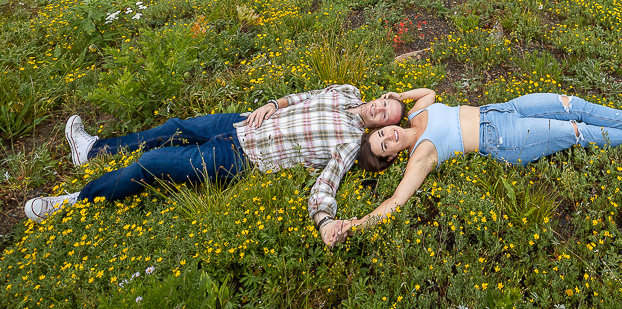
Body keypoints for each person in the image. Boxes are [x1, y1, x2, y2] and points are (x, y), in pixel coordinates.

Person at [24, 85, 405, 244]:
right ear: (380, 96)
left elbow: (326, 185)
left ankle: (73, 201)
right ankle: (92, 151)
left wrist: (324, 221)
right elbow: (306, 96)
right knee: (175, 127)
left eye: (387, 118)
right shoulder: (349, 92)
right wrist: (273, 104)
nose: (381, 110)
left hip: (242, 157)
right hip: (244, 122)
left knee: (153, 164)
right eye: (385, 101)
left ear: (383, 129)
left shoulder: (350, 146)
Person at [326, 89, 622, 246]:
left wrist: (397, 96)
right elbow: (396, 202)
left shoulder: (416, 114)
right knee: (573, 132)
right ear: (391, 157)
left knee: (569, 104)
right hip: (504, 138)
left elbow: (428, 93)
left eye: (382, 132)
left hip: (502, 109)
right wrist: (355, 225)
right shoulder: (420, 155)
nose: (388, 134)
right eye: (385, 144)